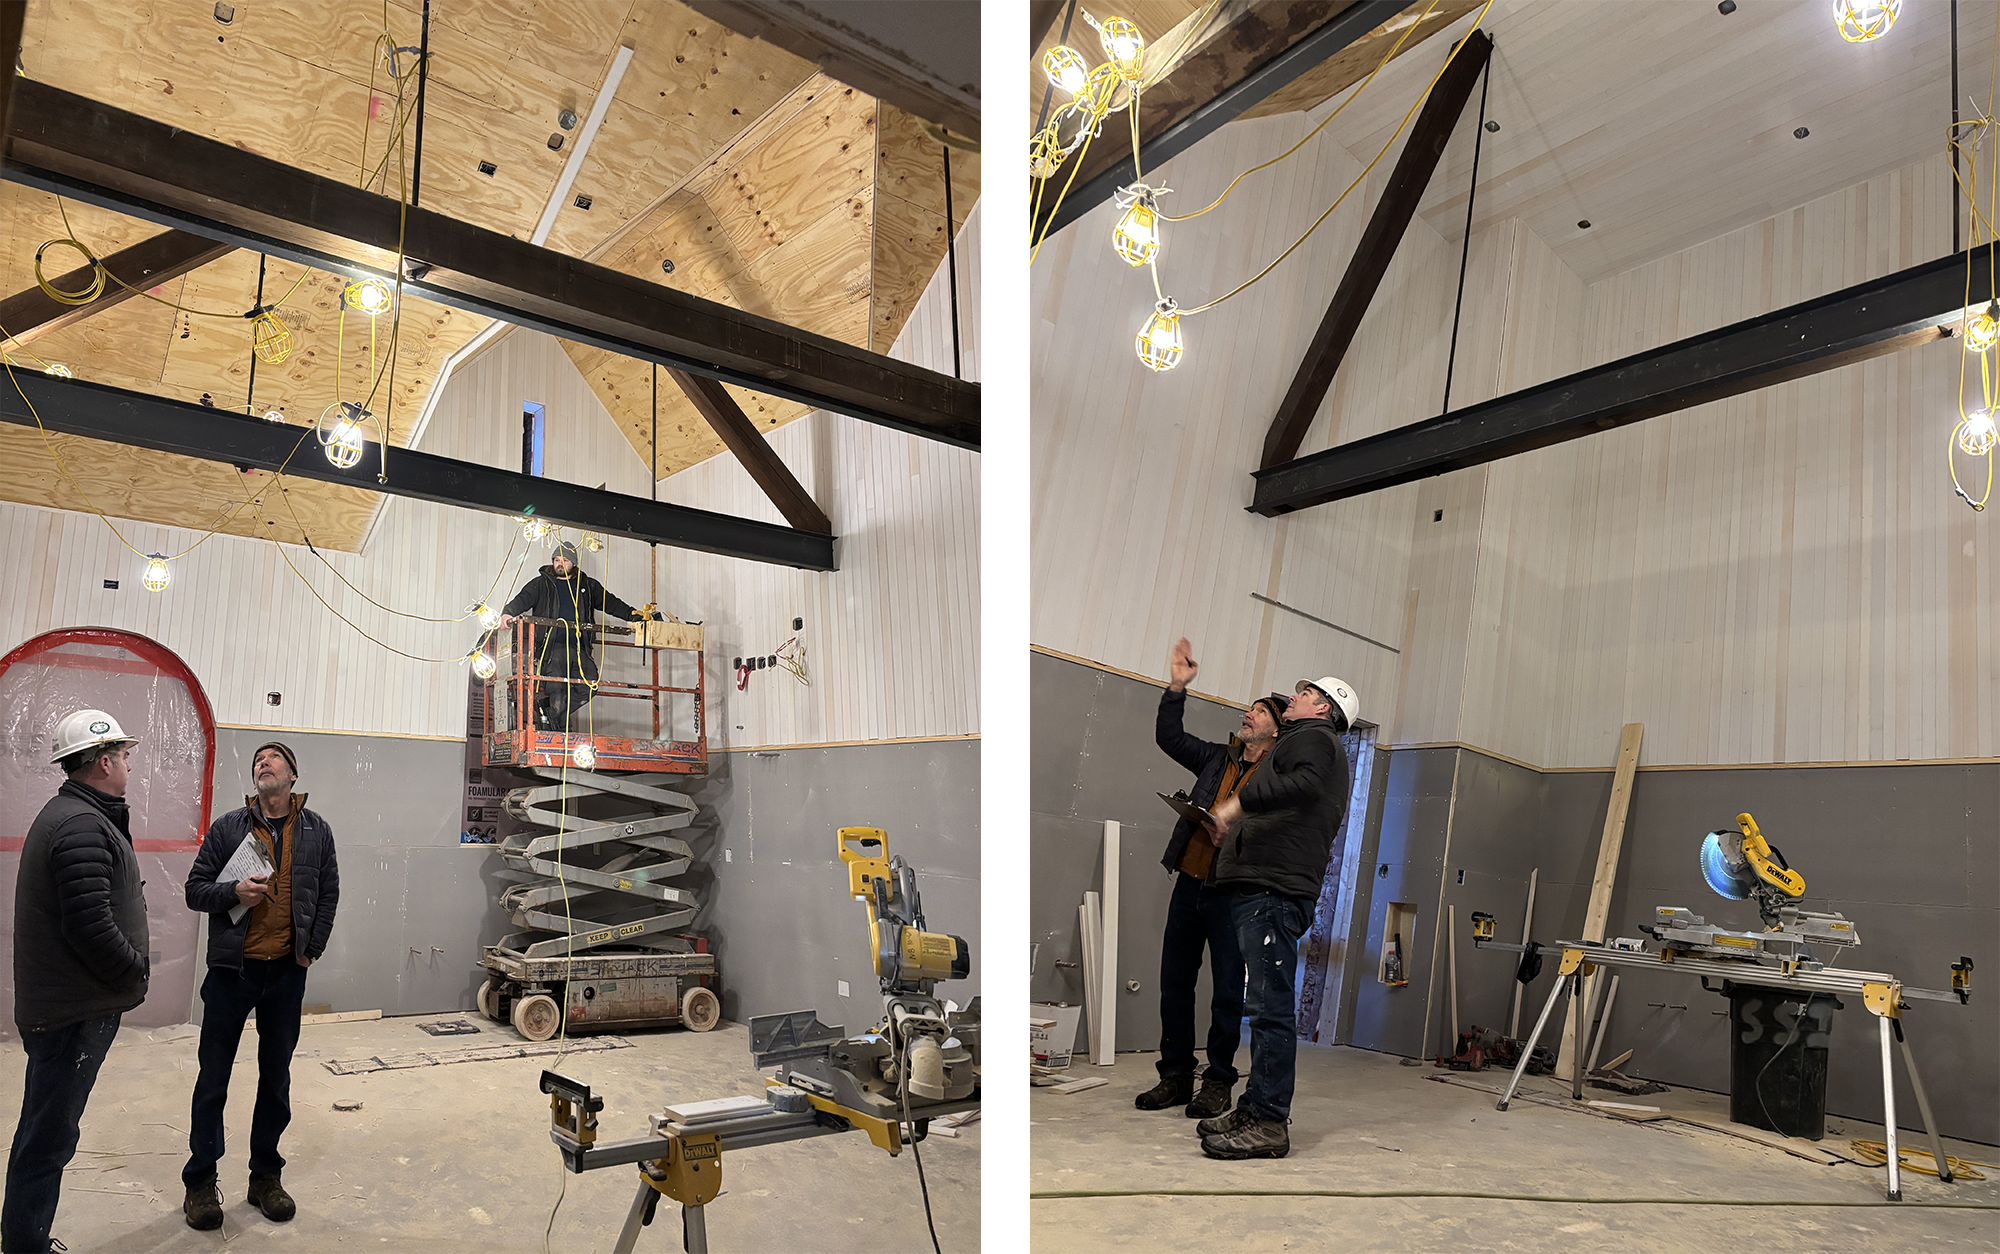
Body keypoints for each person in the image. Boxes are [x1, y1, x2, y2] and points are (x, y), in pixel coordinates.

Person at [1194, 674, 1358, 1161]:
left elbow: (1303, 787)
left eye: (1307, 693)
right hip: (1265, 883)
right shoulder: (1302, 740)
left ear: (1324, 709)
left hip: (1275, 887)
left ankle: (1268, 1120)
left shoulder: (1314, 740)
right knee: (1263, 1007)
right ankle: (1255, 1106)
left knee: (1269, 1009)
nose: (1296, 696)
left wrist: (1238, 804)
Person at [4, 710, 148, 1254]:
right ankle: (26, 1246)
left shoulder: (77, 814)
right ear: (104, 760)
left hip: (65, 1008)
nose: (129, 767)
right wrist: (134, 967)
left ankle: (25, 1239)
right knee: (49, 1139)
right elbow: (89, 927)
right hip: (71, 1013)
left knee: (43, 1129)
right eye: (124, 757)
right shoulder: (81, 824)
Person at [181, 742, 340, 1230]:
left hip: (286, 974)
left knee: (276, 1079)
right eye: (256, 761)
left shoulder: (316, 831)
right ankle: (201, 1182)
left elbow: (329, 891)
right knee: (213, 1080)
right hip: (234, 973)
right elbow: (195, 890)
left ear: (293, 774)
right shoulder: (229, 828)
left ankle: (265, 1177)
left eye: (272, 759)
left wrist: (312, 949)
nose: (262, 764)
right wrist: (234, 892)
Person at [1135, 637, 1287, 1120]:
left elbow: (1274, 832)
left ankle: (1218, 1080)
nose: (1248, 714)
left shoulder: (1277, 779)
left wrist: (1236, 838)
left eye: (1260, 712)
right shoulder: (1216, 759)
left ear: (1277, 732)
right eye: (1249, 708)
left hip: (1234, 895)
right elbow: (1169, 737)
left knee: (1227, 992)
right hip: (1189, 882)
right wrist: (1177, 686)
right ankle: (1175, 1075)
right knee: (1174, 982)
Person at [499, 540, 657, 731]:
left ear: (573, 562)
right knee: (556, 690)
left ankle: (551, 714)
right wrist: (507, 612)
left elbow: (611, 603)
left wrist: (632, 614)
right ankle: (557, 730)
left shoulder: (587, 586)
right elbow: (522, 599)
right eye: (556, 559)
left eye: (564, 560)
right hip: (551, 649)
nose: (559, 563)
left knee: (590, 684)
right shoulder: (541, 584)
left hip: (578, 648)